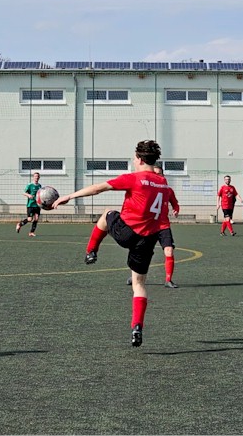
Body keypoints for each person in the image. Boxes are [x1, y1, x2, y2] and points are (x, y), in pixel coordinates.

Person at [51, 140, 179, 347]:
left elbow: (98, 188)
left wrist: (70, 196)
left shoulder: (135, 178)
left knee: (108, 214)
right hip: (147, 240)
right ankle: (137, 326)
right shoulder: (163, 184)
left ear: (138, 159)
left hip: (127, 232)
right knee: (139, 285)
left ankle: (91, 251)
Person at [126, 165, 180, 288]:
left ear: (163, 176)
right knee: (140, 251)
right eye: (154, 174)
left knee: (169, 250)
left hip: (162, 226)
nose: (156, 176)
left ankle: (168, 280)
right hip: (148, 225)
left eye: (159, 174)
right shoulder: (146, 188)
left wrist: (176, 210)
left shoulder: (168, 190)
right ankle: (135, 276)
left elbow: (175, 204)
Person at [15, 172, 42, 237]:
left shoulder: (39, 186)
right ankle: (19, 224)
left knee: (36, 219)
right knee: (29, 219)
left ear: (39, 177)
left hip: (37, 205)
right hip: (30, 205)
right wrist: (29, 195)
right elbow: (24, 192)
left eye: (38, 176)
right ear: (33, 177)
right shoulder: (30, 185)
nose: (37, 177)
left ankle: (31, 232)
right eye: (35, 176)